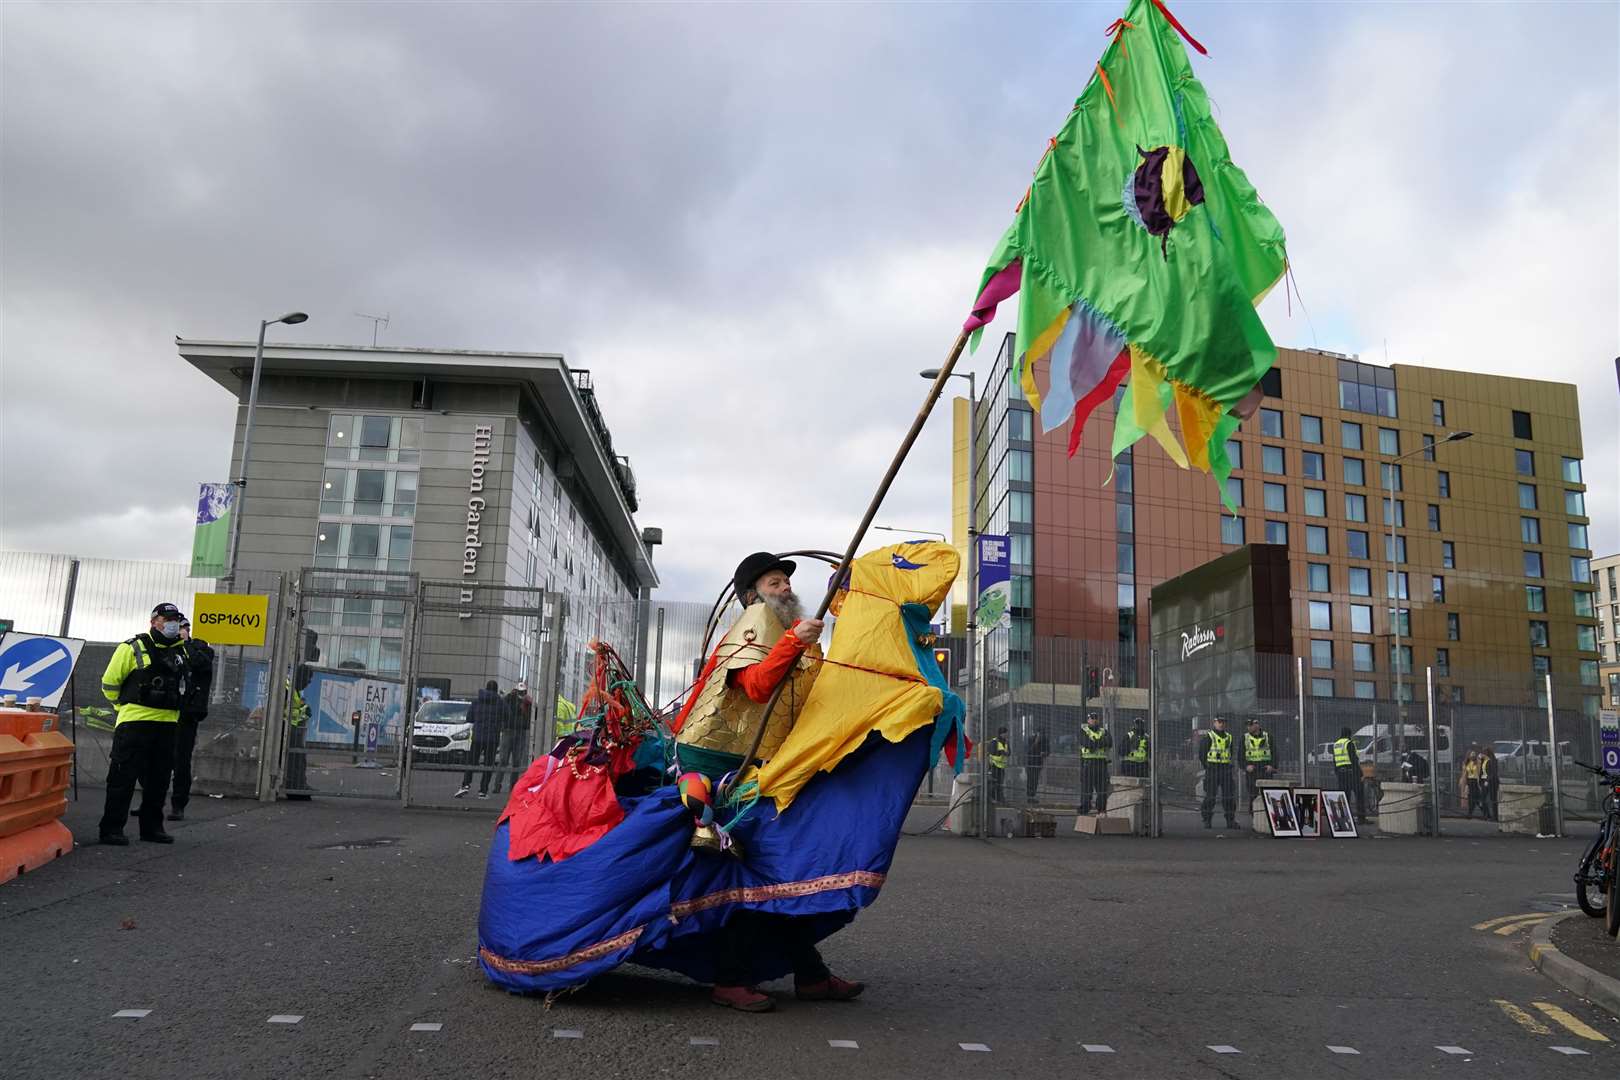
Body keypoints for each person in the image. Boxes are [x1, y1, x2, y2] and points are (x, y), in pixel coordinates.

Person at [667, 551, 860, 1012]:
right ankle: (735, 979)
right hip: (719, 764)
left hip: (762, 762)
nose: (785, 589)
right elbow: (755, 687)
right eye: (774, 582)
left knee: (778, 868)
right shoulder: (757, 622)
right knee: (760, 868)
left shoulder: (793, 632)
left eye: (785, 582)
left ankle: (808, 974)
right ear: (752, 594)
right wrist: (794, 641)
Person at [98, 603, 192, 845]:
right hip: (135, 723)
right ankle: (112, 829)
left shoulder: (182, 653)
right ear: (153, 622)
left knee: (159, 780)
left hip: (168, 725)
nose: (171, 623)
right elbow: (110, 683)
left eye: (175, 619)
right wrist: (122, 708)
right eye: (166, 618)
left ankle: (152, 828)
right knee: (122, 778)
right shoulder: (132, 647)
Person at [166, 620, 214, 821]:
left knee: (181, 760)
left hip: (187, 713)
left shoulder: (201, 649)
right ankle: (150, 802)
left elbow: (199, 664)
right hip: (163, 710)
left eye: (182, 627)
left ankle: (178, 804)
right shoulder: (164, 648)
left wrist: (184, 644)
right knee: (152, 759)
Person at [456, 680, 505, 799]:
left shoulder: (477, 701)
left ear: (486, 688)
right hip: (492, 738)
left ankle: (465, 785)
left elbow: (470, 718)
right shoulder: (500, 703)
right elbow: (507, 716)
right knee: (488, 764)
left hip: (477, 736)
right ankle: (483, 791)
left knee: (472, 761)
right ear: (496, 689)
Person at [489, 681, 534, 796]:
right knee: (503, 760)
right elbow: (504, 711)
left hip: (520, 732)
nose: (522, 694)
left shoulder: (527, 702)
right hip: (509, 730)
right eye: (520, 692)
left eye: (523, 692)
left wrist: (531, 704)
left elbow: (534, 714)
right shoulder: (508, 700)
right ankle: (497, 785)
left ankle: (512, 787)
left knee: (516, 762)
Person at [1199, 716, 1237, 829]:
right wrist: (1208, 766)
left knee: (1228, 796)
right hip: (1213, 769)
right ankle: (1207, 819)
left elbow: (1231, 753)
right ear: (1214, 723)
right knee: (1210, 796)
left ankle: (1230, 821)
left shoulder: (1229, 737)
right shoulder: (1209, 736)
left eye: (1223, 722)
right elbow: (1202, 754)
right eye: (1219, 722)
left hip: (1225, 769)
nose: (1221, 724)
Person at [1077, 713, 1112, 814]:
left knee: (1102, 790)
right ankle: (1085, 810)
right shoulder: (1083, 731)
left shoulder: (1104, 731)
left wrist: (1094, 744)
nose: (1094, 720)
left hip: (1101, 764)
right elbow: (1086, 743)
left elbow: (1109, 742)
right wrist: (1100, 742)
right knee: (1087, 790)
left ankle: (1101, 809)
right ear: (1088, 720)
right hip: (1088, 764)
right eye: (1092, 718)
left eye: (1096, 718)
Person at [1333, 726, 1367, 823]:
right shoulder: (1349, 743)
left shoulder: (1336, 744)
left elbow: (1335, 760)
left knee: (1344, 796)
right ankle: (1361, 818)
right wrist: (1360, 774)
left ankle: (1345, 817)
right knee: (1359, 794)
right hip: (1351, 773)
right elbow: (1353, 759)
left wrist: (1337, 772)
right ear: (1349, 734)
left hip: (1341, 774)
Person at [1242, 718, 1276, 814]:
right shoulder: (1245, 738)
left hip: (1265, 770)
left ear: (1257, 724)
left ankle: (1269, 817)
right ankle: (1254, 819)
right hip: (1252, 771)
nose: (1248, 727)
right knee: (1253, 795)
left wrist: (1272, 765)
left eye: (1251, 725)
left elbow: (1274, 752)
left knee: (1267, 794)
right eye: (1247, 725)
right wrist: (1246, 766)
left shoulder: (1268, 736)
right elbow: (1241, 755)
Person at [1025, 728, 1049, 803]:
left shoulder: (1045, 740)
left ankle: (1032, 796)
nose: (1041, 736)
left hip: (1038, 763)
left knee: (1035, 780)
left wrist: (1044, 753)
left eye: (1042, 734)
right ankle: (1029, 797)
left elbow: (1048, 751)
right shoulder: (1031, 739)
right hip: (1030, 763)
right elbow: (1028, 751)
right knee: (1030, 780)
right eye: (1039, 734)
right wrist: (1035, 743)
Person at [1479, 746, 1500, 822]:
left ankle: (1495, 817)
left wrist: (1487, 780)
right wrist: (1481, 781)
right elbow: (1481, 772)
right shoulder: (1483, 760)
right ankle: (1487, 815)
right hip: (1484, 781)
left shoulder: (1492, 760)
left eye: (1483, 753)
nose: (1482, 754)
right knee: (1482, 799)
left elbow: (1493, 772)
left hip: (1492, 782)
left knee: (1493, 799)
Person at [989, 726, 1009, 805]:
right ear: (1001, 734)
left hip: (1002, 766)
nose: (1006, 735)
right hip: (994, 765)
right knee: (994, 782)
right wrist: (1000, 752)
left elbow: (1008, 751)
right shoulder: (994, 741)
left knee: (1000, 783)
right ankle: (993, 798)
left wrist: (1006, 753)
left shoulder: (1006, 742)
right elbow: (992, 752)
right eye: (1005, 733)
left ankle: (1000, 799)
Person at [1462, 748, 1482, 819]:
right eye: (1472, 754)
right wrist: (1465, 783)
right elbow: (1465, 773)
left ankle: (1484, 812)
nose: (1473, 756)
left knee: (1476, 798)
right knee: (1471, 798)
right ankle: (1470, 813)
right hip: (1469, 781)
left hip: (1475, 781)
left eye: (1474, 754)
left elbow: (1479, 772)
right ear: (1469, 755)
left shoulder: (1477, 762)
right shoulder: (1467, 763)